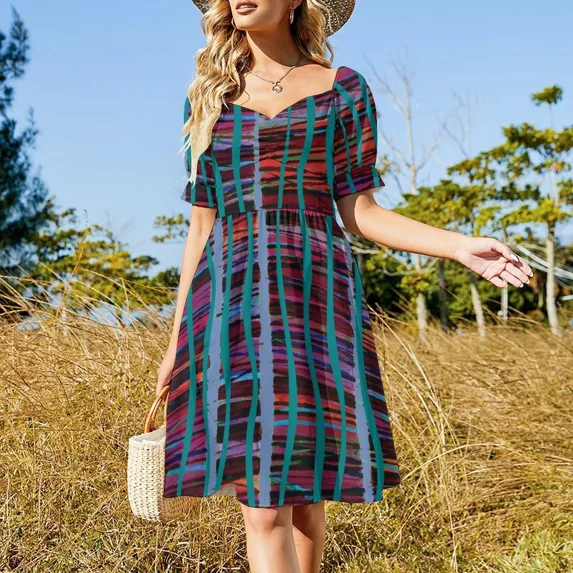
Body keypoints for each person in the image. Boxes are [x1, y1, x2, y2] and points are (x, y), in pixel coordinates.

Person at [155, 1, 535, 571]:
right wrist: (176, 342)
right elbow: (200, 228)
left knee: (306, 496)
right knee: (263, 504)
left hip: (315, 297)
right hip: (230, 306)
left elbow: (361, 212)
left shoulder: (343, 90)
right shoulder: (208, 98)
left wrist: (458, 246)